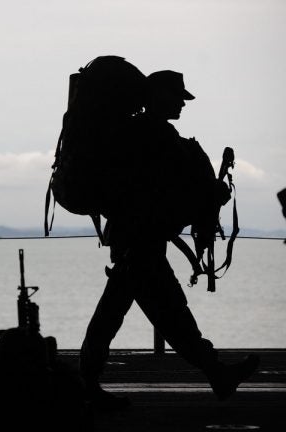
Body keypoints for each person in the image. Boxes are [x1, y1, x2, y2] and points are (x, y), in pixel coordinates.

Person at [79, 70, 260, 409]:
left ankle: (86, 382)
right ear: (159, 97)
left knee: (130, 313)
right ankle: (216, 372)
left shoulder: (142, 134)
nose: (182, 103)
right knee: (167, 315)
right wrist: (214, 193)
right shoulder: (154, 135)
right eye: (177, 97)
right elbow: (170, 189)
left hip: (135, 239)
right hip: (140, 241)